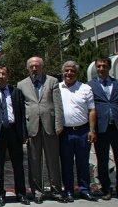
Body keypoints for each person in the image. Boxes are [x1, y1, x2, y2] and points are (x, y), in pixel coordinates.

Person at [17, 56, 65, 203]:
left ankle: (56, 190)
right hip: (32, 127)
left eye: (37, 66)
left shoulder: (52, 81)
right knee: (34, 161)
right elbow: (20, 109)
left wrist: (59, 124)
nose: (34, 68)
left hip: (50, 126)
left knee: (53, 160)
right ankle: (38, 192)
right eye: (31, 66)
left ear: (42, 67)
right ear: (28, 68)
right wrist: (23, 132)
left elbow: (58, 105)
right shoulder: (21, 84)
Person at [0, 67, 29, 206]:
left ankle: (21, 194)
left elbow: (21, 114)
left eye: (3, 74)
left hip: (14, 132)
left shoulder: (16, 92)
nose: (1, 76)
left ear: (7, 76)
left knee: (18, 165)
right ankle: (0, 195)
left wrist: (24, 134)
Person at [59, 61, 98, 202]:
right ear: (63, 72)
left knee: (83, 162)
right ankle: (68, 191)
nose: (69, 73)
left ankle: (84, 190)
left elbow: (92, 110)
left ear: (77, 73)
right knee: (66, 163)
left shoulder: (85, 88)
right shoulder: (57, 88)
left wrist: (92, 130)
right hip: (64, 132)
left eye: (72, 71)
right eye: (67, 70)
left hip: (82, 131)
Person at [87, 56, 118, 201]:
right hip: (101, 128)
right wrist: (91, 129)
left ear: (109, 68)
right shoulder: (90, 86)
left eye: (104, 66)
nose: (101, 69)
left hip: (116, 127)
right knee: (102, 160)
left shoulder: (116, 84)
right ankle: (106, 189)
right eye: (99, 66)